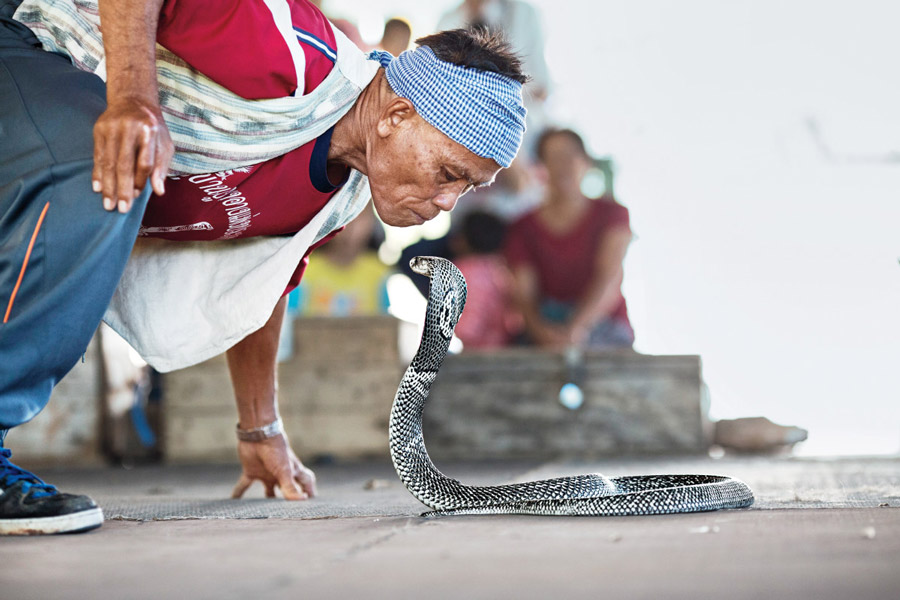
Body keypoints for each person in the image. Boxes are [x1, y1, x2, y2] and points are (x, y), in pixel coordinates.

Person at [0, 0, 528, 534]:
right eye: (447, 172)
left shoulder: (337, 197)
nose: (446, 203)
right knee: (100, 157)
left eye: (466, 188)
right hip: (23, 38)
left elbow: (256, 283)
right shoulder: (294, 55)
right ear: (397, 115)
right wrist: (134, 100)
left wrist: (260, 428)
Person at [504, 128, 634, 349]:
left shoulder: (613, 214)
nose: (561, 165)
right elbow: (524, 295)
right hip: (545, 330)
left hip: (604, 327)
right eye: (552, 158)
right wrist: (543, 333)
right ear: (541, 168)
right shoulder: (523, 227)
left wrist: (577, 329)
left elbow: (609, 277)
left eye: (568, 156)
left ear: (586, 162)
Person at [452, 211, 519, 350]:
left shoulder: (463, 271)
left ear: (463, 239)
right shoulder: (504, 268)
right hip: (506, 348)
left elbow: (467, 329)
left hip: (476, 354)